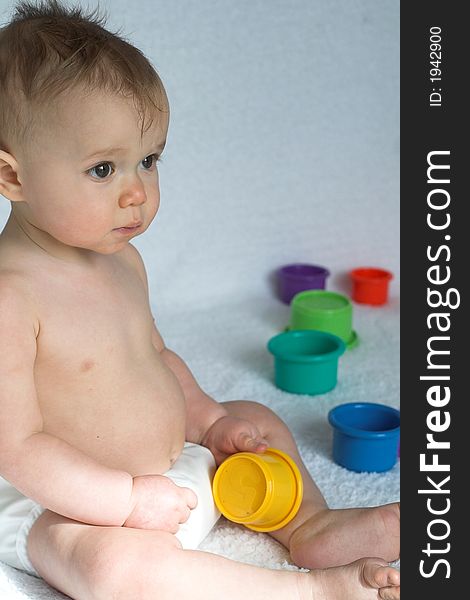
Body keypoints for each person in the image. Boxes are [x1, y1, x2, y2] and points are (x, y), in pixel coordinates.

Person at [0, 2, 400, 598]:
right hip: (66, 502)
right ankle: (311, 590)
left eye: (149, 160)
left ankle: (308, 525)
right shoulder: (11, 297)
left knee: (257, 419)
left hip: (171, 475)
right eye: (103, 168)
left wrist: (211, 423)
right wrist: (125, 501)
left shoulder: (122, 261)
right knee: (111, 569)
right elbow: (19, 447)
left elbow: (154, 359)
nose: (137, 191)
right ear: (12, 178)